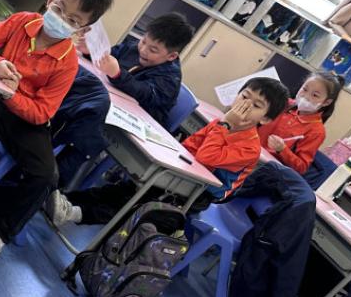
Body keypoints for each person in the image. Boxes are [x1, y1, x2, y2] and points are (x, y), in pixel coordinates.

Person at [0, 0, 114, 270]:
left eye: (72, 20)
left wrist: (12, 96)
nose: (61, 19)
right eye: (59, 9)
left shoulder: (67, 63)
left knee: (45, 175)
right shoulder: (23, 21)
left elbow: (42, 112)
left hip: (22, 115)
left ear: (83, 29)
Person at [48, 77, 291, 227]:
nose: (245, 105)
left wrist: (226, 125)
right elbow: (192, 145)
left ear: (266, 119)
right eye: (244, 96)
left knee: (138, 203)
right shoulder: (220, 123)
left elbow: (206, 158)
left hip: (199, 193)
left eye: (256, 105)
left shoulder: (249, 148)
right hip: (184, 176)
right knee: (126, 187)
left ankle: (76, 213)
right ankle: (67, 201)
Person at [96, 13, 195, 124]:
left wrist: (118, 74)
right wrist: (93, 53)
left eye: (153, 50)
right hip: (113, 103)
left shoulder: (170, 78)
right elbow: (110, 54)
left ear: (171, 56)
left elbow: (144, 93)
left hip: (139, 121)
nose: (143, 50)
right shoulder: (135, 47)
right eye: (143, 41)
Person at [258, 73, 343, 175]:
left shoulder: (316, 131)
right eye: (305, 89)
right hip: (250, 148)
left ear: (326, 102)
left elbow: (301, 168)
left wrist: (282, 150)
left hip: (264, 168)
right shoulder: (285, 103)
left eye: (315, 95)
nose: (305, 96)